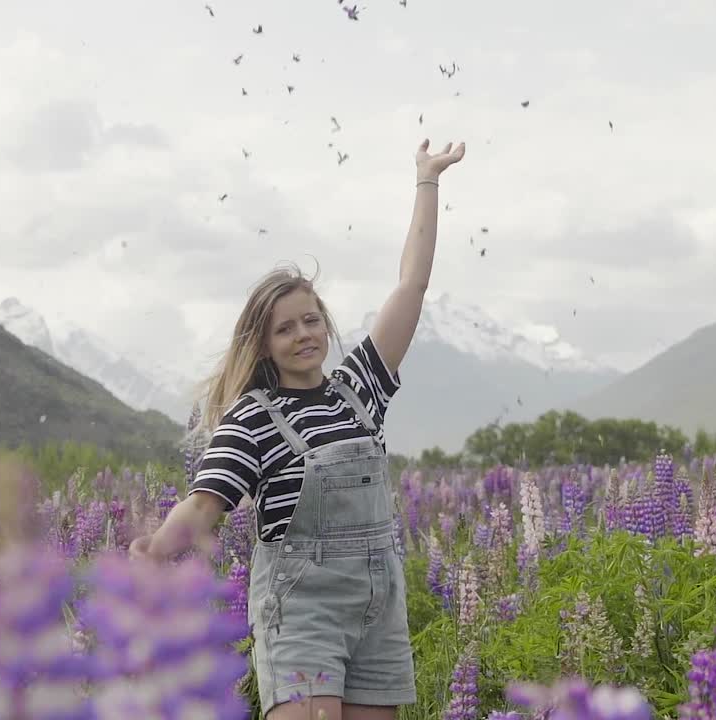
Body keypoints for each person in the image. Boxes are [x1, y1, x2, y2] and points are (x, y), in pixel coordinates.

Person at [129, 138, 466, 720]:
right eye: (285, 328)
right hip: (301, 609)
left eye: (312, 320)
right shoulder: (253, 417)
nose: (304, 334)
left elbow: (411, 286)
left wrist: (427, 181)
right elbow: (206, 504)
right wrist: (158, 549)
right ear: (263, 343)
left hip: (378, 607)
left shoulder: (359, 389)